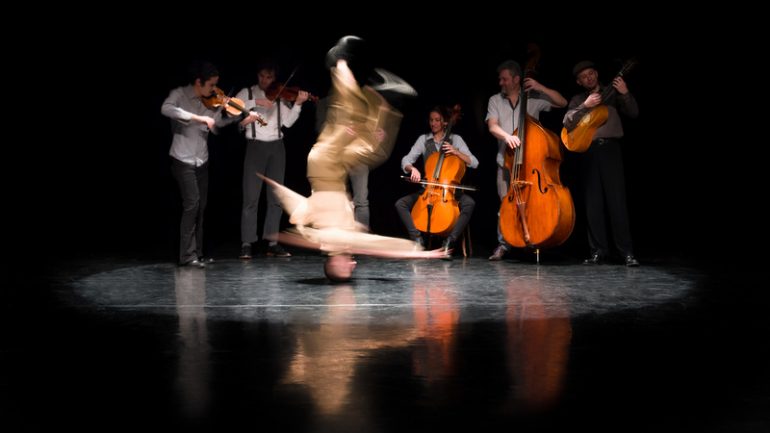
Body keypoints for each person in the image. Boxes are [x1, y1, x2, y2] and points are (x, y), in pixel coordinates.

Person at [261, 35, 443, 282]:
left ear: (336, 263)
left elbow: (375, 244)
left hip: (326, 163)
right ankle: (388, 100)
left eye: (347, 268)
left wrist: (420, 254)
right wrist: (282, 193)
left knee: (352, 109)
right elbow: (302, 208)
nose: (353, 265)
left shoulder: (336, 240)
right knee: (375, 150)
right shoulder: (328, 238)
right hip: (330, 167)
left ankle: (339, 62)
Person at [161, 60, 240, 268]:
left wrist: (230, 115)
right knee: (192, 204)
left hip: (201, 160)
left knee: (201, 207)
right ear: (199, 82)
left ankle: (198, 253)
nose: (214, 89)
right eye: (211, 85)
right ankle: (186, 256)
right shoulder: (179, 94)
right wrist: (198, 118)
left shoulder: (211, 101)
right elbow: (166, 109)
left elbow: (215, 126)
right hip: (182, 159)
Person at [486, 59, 567, 260]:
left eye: (504, 79)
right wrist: (507, 136)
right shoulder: (495, 100)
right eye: (500, 79)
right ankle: (504, 245)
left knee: (534, 204)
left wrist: (540, 87)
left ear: (516, 79)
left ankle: (534, 239)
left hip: (532, 165)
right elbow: (492, 126)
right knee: (505, 205)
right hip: (506, 162)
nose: (501, 83)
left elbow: (562, 102)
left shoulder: (533, 98)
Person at [563, 60, 640, 267]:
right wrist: (584, 106)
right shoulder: (578, 98)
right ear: (579, 82)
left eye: (591, 74)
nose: (588, 78)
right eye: (583, 77)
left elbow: (633, 113)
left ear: (596, 73)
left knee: (617, 201)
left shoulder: (612, 92)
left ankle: (626, 253)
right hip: (588, 151)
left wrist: (624, 92)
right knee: (593, 204)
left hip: (610, 150)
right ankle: (598, 251)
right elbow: (567, 122)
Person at [236, 60, 310, 259]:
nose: (265, 81)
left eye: (269, 77)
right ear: (257, 75)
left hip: (277, 148)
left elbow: (287, 122)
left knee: (275, 198)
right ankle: (247, 243)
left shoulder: (279, 94)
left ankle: (273, 242)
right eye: (262, 76)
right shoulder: (248, 93)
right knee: (251, 197)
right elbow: (231, 106)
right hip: (255, 147)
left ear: (274, 78)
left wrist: (298, 105)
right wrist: (256, 103)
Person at [395, 106, 479, 260]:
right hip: (427, 189)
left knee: (470, 204)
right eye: (431, 120)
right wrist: (412, 168)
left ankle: (449, 242)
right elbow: (405, 160)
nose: (433, 123)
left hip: (450, 191)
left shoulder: (456, 140)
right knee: (401, 203)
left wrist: (456, 152)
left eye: (437, 120)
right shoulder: (424, 140)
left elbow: (474, 162)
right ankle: (417, 240)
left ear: (445, 123)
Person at [315, 95, 371, 229]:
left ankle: (362, 240)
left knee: (361, 201)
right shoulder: (325, 102)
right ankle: (334, 238)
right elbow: (320, 128)